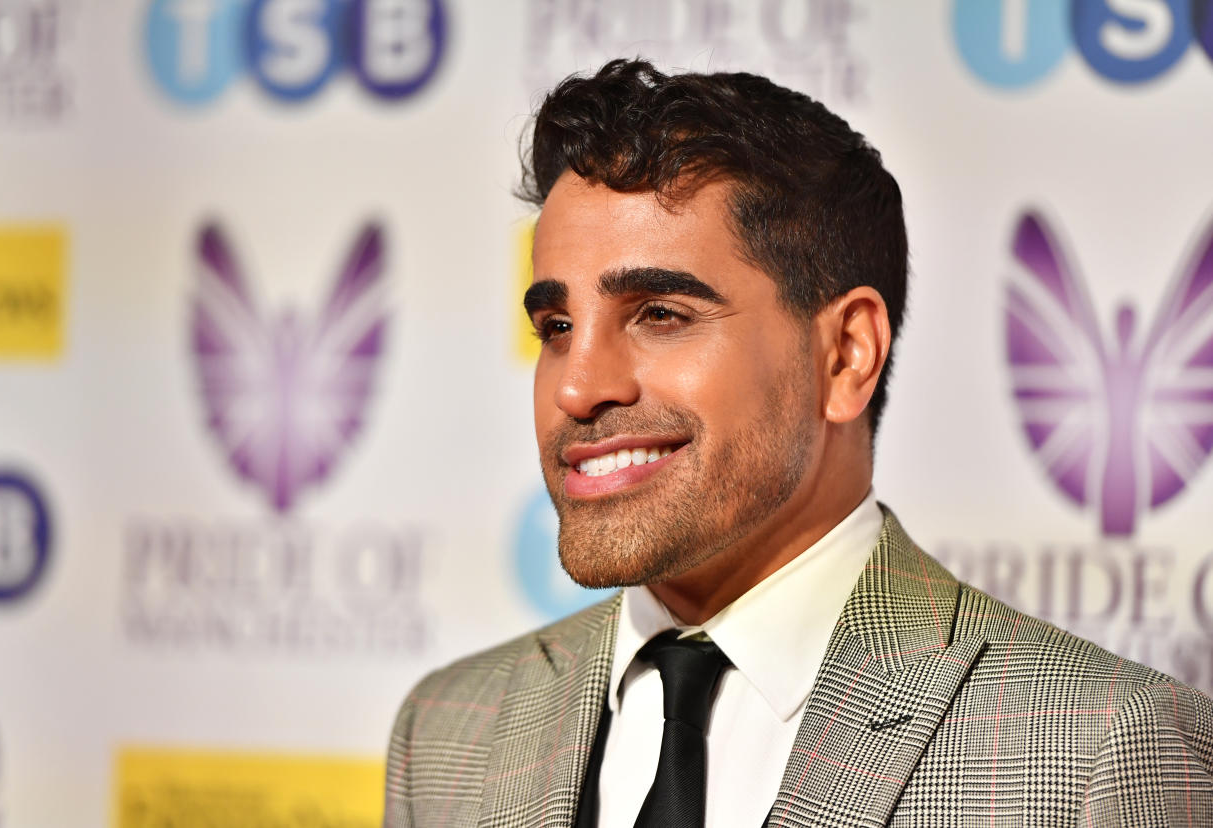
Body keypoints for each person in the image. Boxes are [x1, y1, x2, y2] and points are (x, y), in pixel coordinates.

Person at [385, 59, 1213, 827]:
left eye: (661, 315)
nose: (576, 386)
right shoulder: (450, 733)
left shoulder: (1097, 751)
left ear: (846, 355)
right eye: (557, 326)